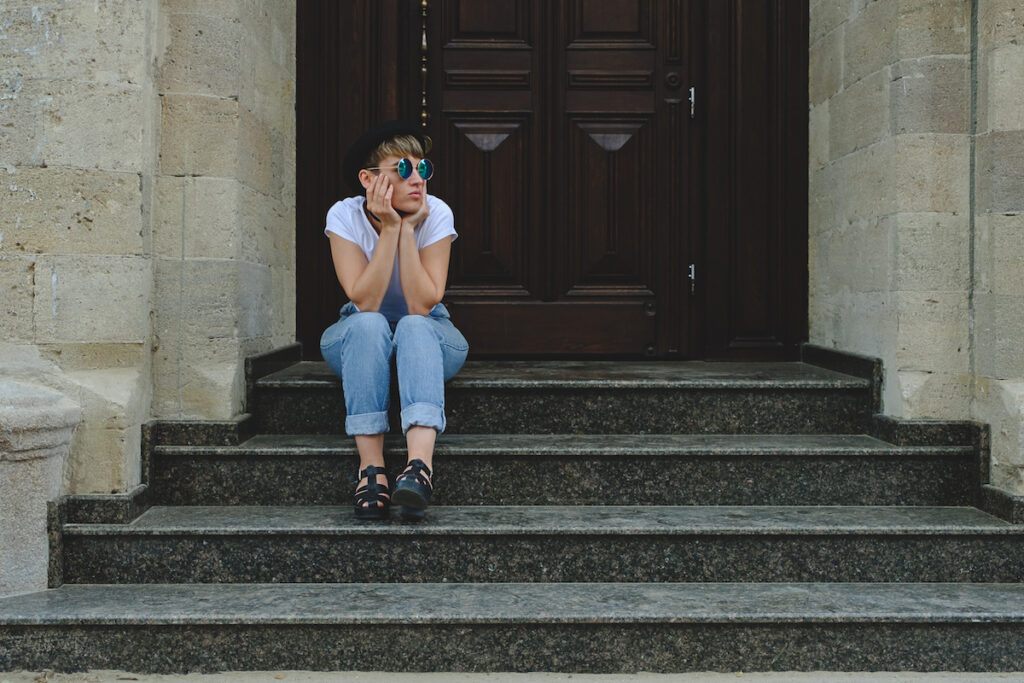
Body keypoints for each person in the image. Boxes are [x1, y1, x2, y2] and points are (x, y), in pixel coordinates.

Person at [319, 120, 468, 521]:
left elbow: (422, 304)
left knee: (413, 325)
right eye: (403, 169)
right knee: (369, 324)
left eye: (423, 169)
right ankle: (373, 470)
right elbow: (364, 300)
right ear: (368, 179)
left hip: (430, 334)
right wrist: (388, 227)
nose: (417, 178)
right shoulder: (344, 216)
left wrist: (409, 229)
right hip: (360, 335)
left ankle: (419, 470)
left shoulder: (436, 213)